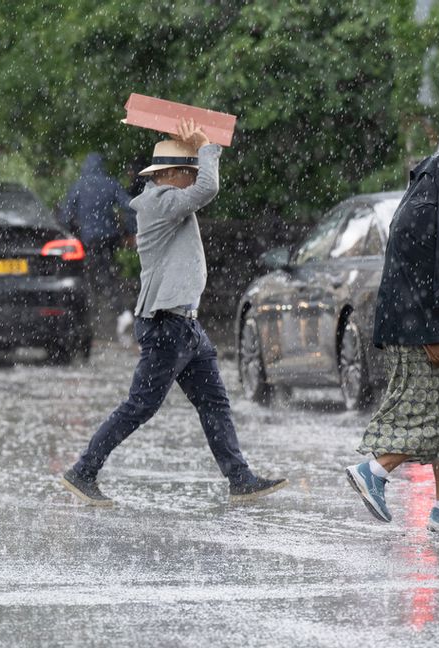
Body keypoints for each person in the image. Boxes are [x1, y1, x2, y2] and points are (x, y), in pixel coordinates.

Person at [62, 118, 288, 506]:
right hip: (167, 325)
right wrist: (206, 144)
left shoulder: (167, 200)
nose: (192, 177)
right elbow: (209, 187)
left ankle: (239, 478)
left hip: (185, 324)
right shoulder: (160, 202)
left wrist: (195, 145)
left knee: (213, 402)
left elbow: (201, 187)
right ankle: (83, 470)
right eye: (187, 171)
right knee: (140, 406)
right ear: (167, 174)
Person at [345, 146, 439, 531]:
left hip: (404, 320)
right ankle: (374, 471)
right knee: (425, 413)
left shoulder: (420, 193)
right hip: (420, 326)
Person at [59, 152, 137, 317]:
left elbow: (65, 215)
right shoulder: (110, 184)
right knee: (106, 271)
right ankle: (116, 311)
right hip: (109, 238)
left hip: (88, 240)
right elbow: (129, 207)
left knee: (95, 274)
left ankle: (102, 313)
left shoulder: (79, 186)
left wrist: (70, 235)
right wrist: (131, 231)